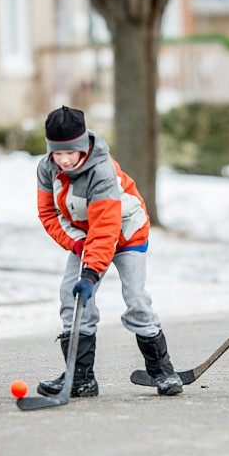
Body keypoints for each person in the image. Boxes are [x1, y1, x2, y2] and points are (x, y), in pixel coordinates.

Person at [36, 106, 183, 397]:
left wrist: (90, 273)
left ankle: (161, 370)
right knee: (72, 295)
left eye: (70, 153)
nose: (64, 160)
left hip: (126, 232)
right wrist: (78, 244)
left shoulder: (102, 171)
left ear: (83, 147)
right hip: (88, 236)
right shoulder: (47, 168)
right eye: (57, 154)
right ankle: (80, 378)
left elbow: (107, 228)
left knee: (136, 297)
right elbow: (49, 214)